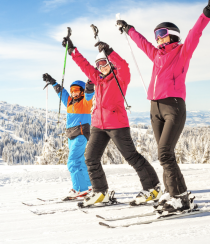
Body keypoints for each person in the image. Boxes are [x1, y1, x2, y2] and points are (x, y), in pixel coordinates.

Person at [116, 0, 210, 213]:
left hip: (173, 106)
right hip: (154, 107)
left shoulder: (182, 52)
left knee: (165, 152)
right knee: (165, 154)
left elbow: (195, 34)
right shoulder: (156, 55)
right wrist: (129, 28)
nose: (158, 38)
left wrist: (206, 13)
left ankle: (177, 197)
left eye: (162, 34)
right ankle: (179, 195)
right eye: (156, 35)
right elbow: (141, 43)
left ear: (172, 35)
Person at [63, 38, 161, 207]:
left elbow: (124, 66)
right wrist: (72, 51)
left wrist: (109, 52)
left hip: (117, 124)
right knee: (91, 158)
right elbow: (84, 65)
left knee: (131, 157)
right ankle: (101, 192)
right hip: (98, 125)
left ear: (110, 63)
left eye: (104, 63)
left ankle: (152, 188)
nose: (101, 67)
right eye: (98, 65)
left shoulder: (120, 77)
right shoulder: (97, 78)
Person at [42, 74, 94, 200]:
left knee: (72, 162)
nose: (73, 93)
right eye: (72, 91)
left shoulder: (85, 103)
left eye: (76, 91)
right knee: (80, 161)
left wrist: (90, 84)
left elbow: (89, 93)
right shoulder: (70, 102)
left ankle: (80, 189)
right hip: (71, 136)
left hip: (81, 134)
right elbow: (62, 93)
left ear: (81, 91)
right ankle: (89, 185)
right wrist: (52, 82)